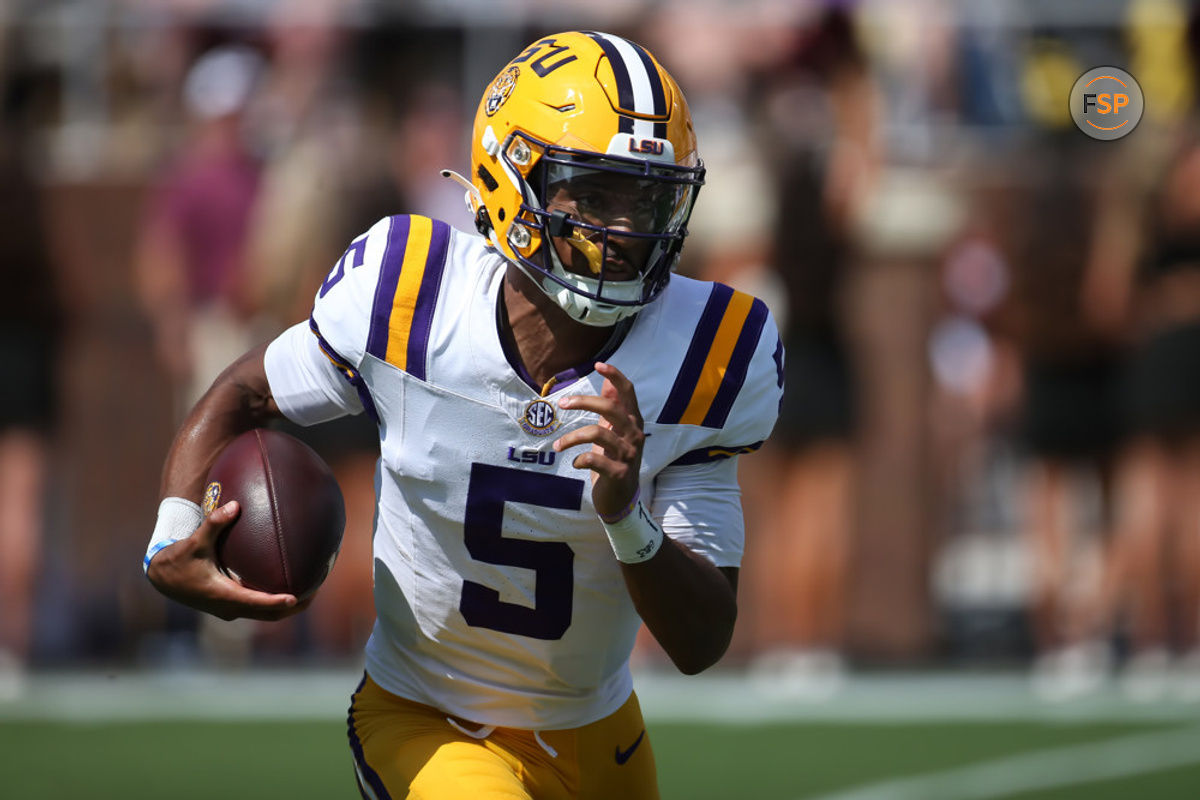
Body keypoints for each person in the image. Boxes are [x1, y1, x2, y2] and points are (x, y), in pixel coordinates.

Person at [144, 31, 782, 799]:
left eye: (648, 197)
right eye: (597, 192)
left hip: (598, 736)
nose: (627, 229)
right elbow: (245, 392)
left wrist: (627, 518)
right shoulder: (412, 292)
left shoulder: (712, 352)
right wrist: (174, 531)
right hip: (427, 718)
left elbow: (702, 641)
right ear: (513, 181)